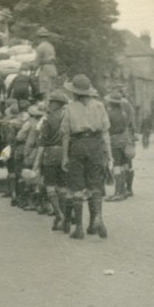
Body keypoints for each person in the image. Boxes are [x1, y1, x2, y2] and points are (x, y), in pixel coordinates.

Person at [61, 74, 112, 239]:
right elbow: (105, 132)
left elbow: (66, 135)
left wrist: (64, 158)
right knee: (95, 184)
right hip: (96, 145)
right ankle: (96, 220)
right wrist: (109, 154)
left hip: (78, 145)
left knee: (77, 186)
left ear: (74, 92)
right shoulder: (99, 106)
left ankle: (79, 229)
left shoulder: (69, 108)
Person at [33, 90, 69, 230]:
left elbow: (42, 142)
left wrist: (36, 163)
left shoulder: (47, 119)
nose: (49, 104)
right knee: (63, 187)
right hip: (65, 154)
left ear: (56, 103)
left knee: (50, 186)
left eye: (51, 101)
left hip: (51, 155)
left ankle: (59, 214)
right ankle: (64, 215)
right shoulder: (67, 117)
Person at [105, 91, 134, 201]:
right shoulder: (123, 113)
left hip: (114, 140)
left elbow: (107, 128)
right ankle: (124, 190)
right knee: (124, 165)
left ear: (111, 103)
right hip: (125, 140)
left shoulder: (109, 114)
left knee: (116, 165)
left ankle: (118, 192)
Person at [34, 27, 58, 99]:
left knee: (45, 92)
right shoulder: (50, 46)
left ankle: (46, 106)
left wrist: (32, 67)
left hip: (45, 70)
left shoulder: (40, 47)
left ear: (39, 37)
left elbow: (36, 62)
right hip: (53, 69)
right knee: (52, 91)